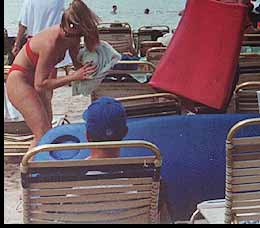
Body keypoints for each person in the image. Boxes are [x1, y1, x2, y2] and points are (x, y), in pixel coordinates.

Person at [6, 0, 100, 151]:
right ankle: (28, 170)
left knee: (47, 133)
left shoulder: (72, 37)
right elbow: (40, 84)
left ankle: (38, 167)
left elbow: (77, 64)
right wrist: (73, 77)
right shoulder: (50, 44)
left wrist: (93, 66)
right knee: (42, 133)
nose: (80, 37)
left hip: (36, 80)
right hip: (19, 80)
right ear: (71, 25)